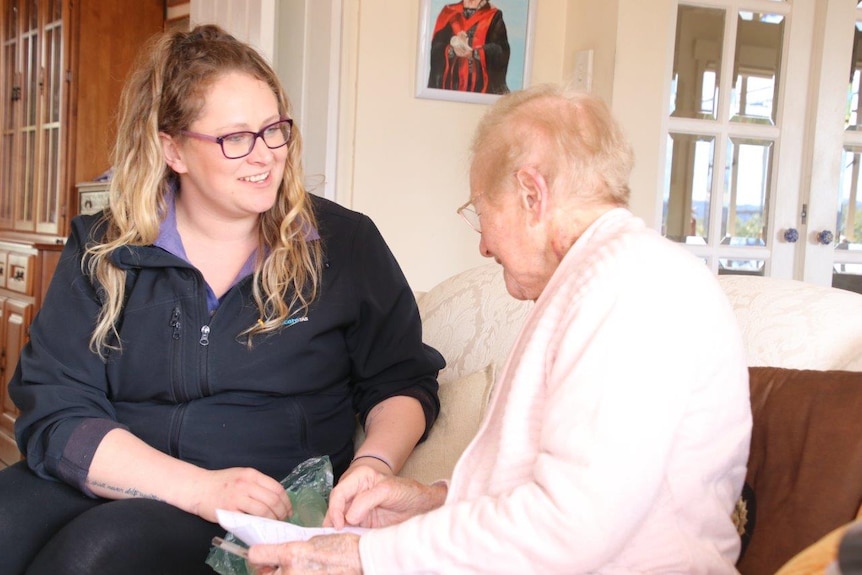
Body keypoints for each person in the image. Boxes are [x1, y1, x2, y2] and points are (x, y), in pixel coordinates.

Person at [246, 85, 753, 573]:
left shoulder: (635, 287)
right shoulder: (592, 281)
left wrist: (364, 558)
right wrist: (431, 503)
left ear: (532, 193)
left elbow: (570, 527)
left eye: (481, 212)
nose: (484, 245)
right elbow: (548, 490)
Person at [0, 24, 443, 575]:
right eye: (235, 138)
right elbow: (56, 410)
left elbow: (401, 380)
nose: (265, 157)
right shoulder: (105, 246)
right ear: (173, 149)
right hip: (131, 472)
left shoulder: (343, 243)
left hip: (258, 502)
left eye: (274, 130)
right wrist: (194, 486)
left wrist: (374, 464)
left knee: (95, 554)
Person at [428, 0, 510, 95]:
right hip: (451, 87)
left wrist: (475, 53)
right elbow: (436, 48)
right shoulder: (449, 12)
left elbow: (501, 51)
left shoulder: (493, 15)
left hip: (480, 88)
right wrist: (452, 50)